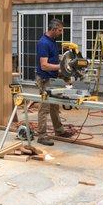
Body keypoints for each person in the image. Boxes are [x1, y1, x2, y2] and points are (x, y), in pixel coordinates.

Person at [35, 18, 71, 146]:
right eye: (60, 30)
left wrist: (61, 64)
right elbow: (44, 65)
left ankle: (59, 131)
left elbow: (53, 61)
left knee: (55, 105)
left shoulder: (53, 41)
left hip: (53, 78)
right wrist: (62, 66)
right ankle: (42, 136)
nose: (61, 32)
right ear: (54, 29)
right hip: (45, 79)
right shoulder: (43, 43)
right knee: (44, 108)